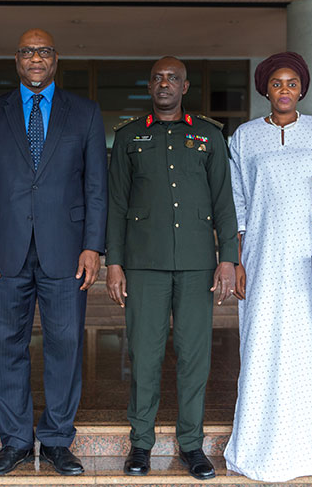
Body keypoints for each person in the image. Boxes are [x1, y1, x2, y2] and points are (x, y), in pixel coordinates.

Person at [0, 28, 107, 476]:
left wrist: (93, 246)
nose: (35, 58)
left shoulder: (84, 113)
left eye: (43, 51)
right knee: (5, 343)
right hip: (5, 250)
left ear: (55, 59)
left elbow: (96, 186)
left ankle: (56, 440)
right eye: (28, 51)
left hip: (66, 250)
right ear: (16, 59)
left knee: (65, 344)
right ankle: (14, 441)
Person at [223, 52, 312, 482]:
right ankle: (263, 446)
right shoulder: (245, 138)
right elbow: (236, 203)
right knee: (262, 346)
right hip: (263, 260)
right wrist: (237, 258)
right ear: (265, 90)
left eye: (292, 83)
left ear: (302, 89)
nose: (284, 90)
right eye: (276, 83)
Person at [105, 57, 237, 481]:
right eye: (158, 78)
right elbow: (116, 204)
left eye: (173, 78)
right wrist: (114, 262)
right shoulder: (129, 136)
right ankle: (141, 443)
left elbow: (224, 201)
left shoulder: (208, 136)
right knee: (144, 355)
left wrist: (228, 258)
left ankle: (191, 444)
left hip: (197, 264)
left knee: (194, 357)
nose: (165, 84)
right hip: (143, 263)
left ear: (185, 87)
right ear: (149, 86)